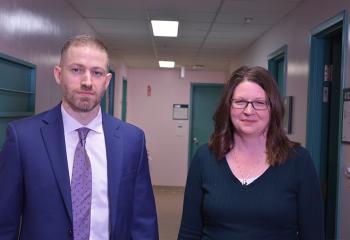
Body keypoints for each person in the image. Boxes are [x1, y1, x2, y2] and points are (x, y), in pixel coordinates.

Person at [0, 34, 158, 240]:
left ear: (107, 81)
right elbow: (5, 223)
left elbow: (143, 221)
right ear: (58, 74)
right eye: (76, 70)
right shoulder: (23, 138)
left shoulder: (132, 140)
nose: (87, 81)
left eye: (97, 72)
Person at [178, 66, 324, 239]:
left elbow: (313, 233)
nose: (248, 111)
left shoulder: (298, 160)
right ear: (228, 106)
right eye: (240, 102)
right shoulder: (204, 158)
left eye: (259, 103)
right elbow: (189, 232)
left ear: (273, 107)